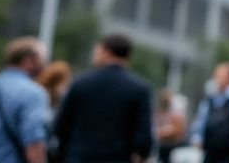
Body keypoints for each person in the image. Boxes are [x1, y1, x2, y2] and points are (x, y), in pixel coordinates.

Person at [51, 33, 153, 163]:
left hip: (79, 157)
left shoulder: (81, 82)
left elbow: (61, 126)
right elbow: (143, 138)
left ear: (106, 51)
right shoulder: (139, 89)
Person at [153, 88, 188, 163]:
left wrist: (162, 131)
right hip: (163, 147)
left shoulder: (176, 112)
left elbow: (178, 129)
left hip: (175, 147)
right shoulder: (159, 112)